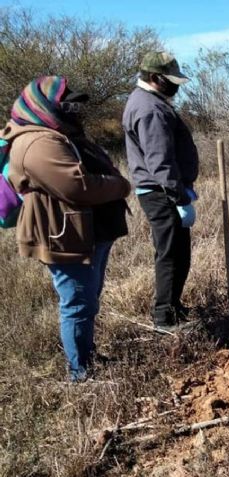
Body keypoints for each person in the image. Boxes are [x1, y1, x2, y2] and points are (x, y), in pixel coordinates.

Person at [2, 76, 131, 382]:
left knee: (88, 299)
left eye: (76, 105)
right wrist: (120, 185)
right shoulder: (37, 142)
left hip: (85, 233)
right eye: (68, 104)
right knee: (77, 303)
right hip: (63, 236)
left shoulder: (60, 133)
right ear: (43, 105)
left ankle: (88, 357)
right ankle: (80, 373)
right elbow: (77, 187)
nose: (75, 111)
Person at [123, 51, 199, 330]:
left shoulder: (150, 101)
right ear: (155, 78)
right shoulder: (149, 109)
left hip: (164, 190)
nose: (176, 86)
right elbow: (160, 160)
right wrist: (179, 197)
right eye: (171, 80)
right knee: (170, 255)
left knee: (179, 253)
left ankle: (174, 308)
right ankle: (164, 320)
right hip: (161, 193)